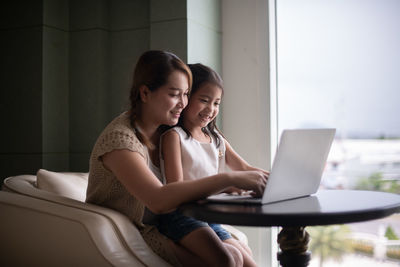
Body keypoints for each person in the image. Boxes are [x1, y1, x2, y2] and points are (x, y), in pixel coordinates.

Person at [85, 50, 268, 267]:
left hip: (172, 219)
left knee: (241, 253)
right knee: (227, 259)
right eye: (174, 94)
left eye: (186, 94)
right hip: (134, 230)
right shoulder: (121, 140)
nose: (183, 103)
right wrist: (229, 180)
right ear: (145, 93)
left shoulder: (167, 127)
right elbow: (158, 200)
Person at [157, 63, 269, 267]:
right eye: (204, 100)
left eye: (216, 103)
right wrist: (227, 185)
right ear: (186, 99)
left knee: (247, 258)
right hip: (180, 216)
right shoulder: (174, 137)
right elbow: (176, 187)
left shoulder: (215, 138)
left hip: (206, 216)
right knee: (227, 259)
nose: (211, 109)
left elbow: (244, 169)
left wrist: (273, 179)